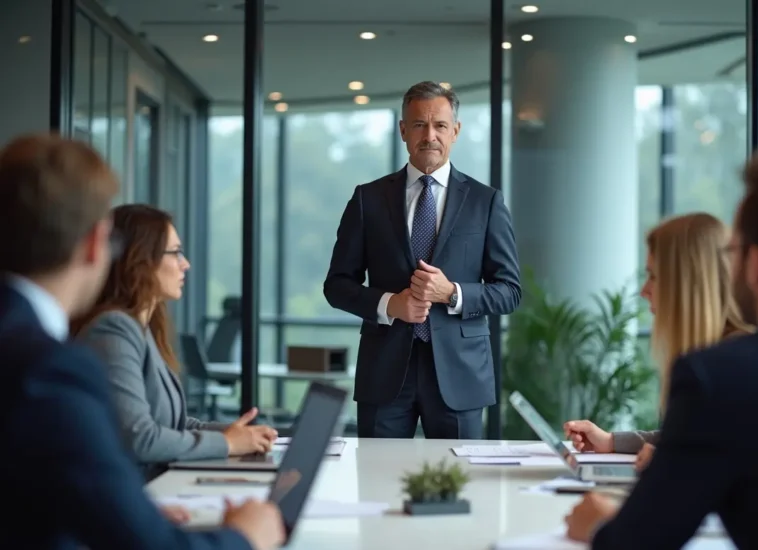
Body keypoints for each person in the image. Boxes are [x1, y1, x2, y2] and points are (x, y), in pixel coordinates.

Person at [0, 133, 284, 550]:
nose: (184, 264)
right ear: (99, 245)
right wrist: (245, 536)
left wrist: (125, 510)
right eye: (174, 253)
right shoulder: (52, 367)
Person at [565, 151, 758, 548]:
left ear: (755, 263)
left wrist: (597, 527)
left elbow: (639, 541)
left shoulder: (726, 375)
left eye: (733, 252)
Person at [324, 81, 521, 439]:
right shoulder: (368, 199)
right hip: (384, 375)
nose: (430, 135)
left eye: (440, 126)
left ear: (455, 131)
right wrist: (390, 304)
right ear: (403, 130)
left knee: (460, 485)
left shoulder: (485, 202)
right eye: (419, 124)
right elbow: (337, 285)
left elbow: (509, 291)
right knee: (377, 485)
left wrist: (452, 293)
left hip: (460, 376)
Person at [72, 204, 277, 480]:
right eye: (176, 252)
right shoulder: (113, 330)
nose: (186, 263)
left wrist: (239, 434)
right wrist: (227, 443)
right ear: (141, 259)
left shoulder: (141, 329)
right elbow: (139, 437)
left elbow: (173, 424)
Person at [564, 213, 752, 471]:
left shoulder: (736, 364)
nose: (644, 291)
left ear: (685, 283)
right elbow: (686, 439)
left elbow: (740, 463)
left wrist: (676, 463)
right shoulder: (711, 351)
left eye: (653, 276)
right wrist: (610, 441)